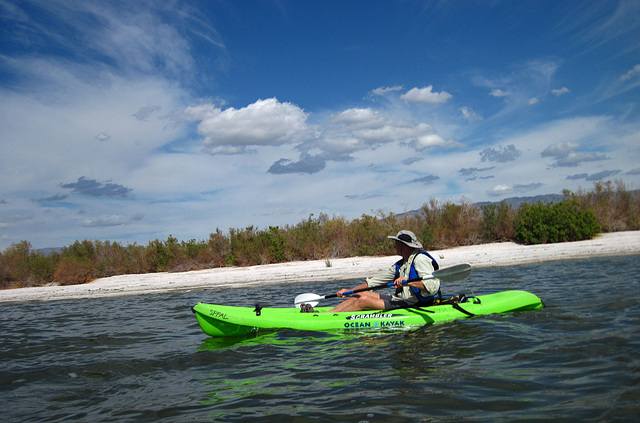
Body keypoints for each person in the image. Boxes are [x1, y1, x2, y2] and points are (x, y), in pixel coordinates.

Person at [327, 230, 439, 313]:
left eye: (397, 243)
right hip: (400, 299)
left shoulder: (420, 259)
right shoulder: (401, 264)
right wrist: (349, 291)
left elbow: (433, 286)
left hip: (413, 303)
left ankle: (329, 319)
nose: (395, 246)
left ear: (404, 246)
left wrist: (408, 282)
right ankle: (328, 314)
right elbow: (373, 283)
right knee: (360, 294)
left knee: (363, 300)